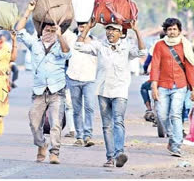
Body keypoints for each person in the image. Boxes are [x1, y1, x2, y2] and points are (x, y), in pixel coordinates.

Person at [75, 19, 146, 168]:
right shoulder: (100, 46)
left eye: (114, 30)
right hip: (102, 90)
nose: (110, 32)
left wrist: (137, 30)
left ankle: (119, 153)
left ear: (121, 33)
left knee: (118, 121)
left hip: (120, 90)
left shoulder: (126, 48)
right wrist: (88, 27)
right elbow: (78, 46)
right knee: (107, 126)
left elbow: (142, 52)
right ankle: (110, 157)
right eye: (108, 29)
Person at [15, 0, 71, 164]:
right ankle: (41, 145)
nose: (49, 32)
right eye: (47, 29)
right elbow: (19, 31)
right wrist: (28, 11)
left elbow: (67, 53)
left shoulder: (61, 46)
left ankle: (55, 153)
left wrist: (60, 36)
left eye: (53, 30)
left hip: (57, 91)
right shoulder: (35, 44)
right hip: (39, 91)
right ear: (42, 30)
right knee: (34, 122)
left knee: (56, 124)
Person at [150, 18, 194, 157]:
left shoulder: (185, 45)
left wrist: (193, 87)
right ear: (165, 31)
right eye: (169, 29)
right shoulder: (159, 45)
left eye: (175, 29)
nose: (172, 32)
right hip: (163, 85)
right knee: (162, 116)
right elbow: (155, 65)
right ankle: (172, 137)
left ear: (179, 30)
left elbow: (189, 67)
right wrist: (154, 86)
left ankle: (176, 145)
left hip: (180, 85)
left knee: (175, 114)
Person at [65, 21, 98, 147]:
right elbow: (62, 29)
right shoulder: (71, 39)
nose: (83, 28)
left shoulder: (96, 43)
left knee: (89, 107)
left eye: (86, 26)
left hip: (89, 79)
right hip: (73, 77)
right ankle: (79, 136)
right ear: (78, 27)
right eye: (81, 26)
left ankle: (88, 135)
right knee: (77, 109)